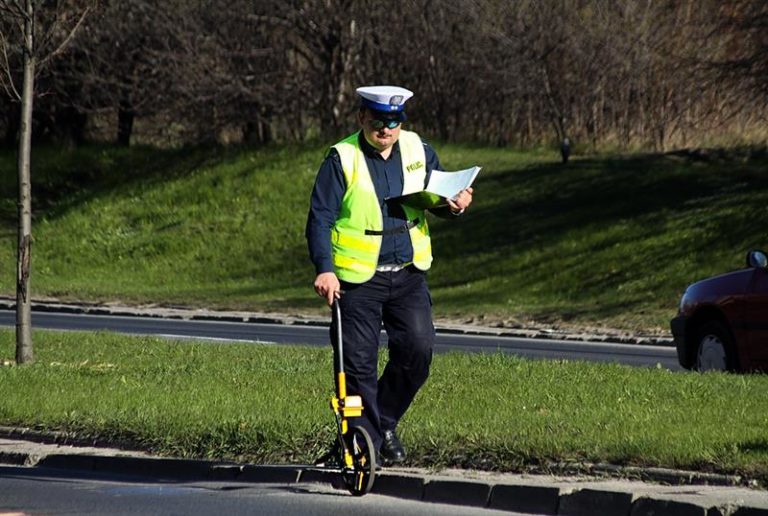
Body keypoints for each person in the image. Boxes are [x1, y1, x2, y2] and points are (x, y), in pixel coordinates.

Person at [305, 85, 473, 465]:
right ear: (362, 118)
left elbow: (436, 199)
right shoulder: (341, 158)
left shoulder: (418, 149)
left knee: (418, 351)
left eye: (394, 121)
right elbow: (320, 217)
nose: (387, 128)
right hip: (356, 281)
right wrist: (325, 270)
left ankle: (381, 426)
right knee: (358, 366)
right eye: (379, 120)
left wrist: (456, 205)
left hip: (409, 274)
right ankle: (365, 449)